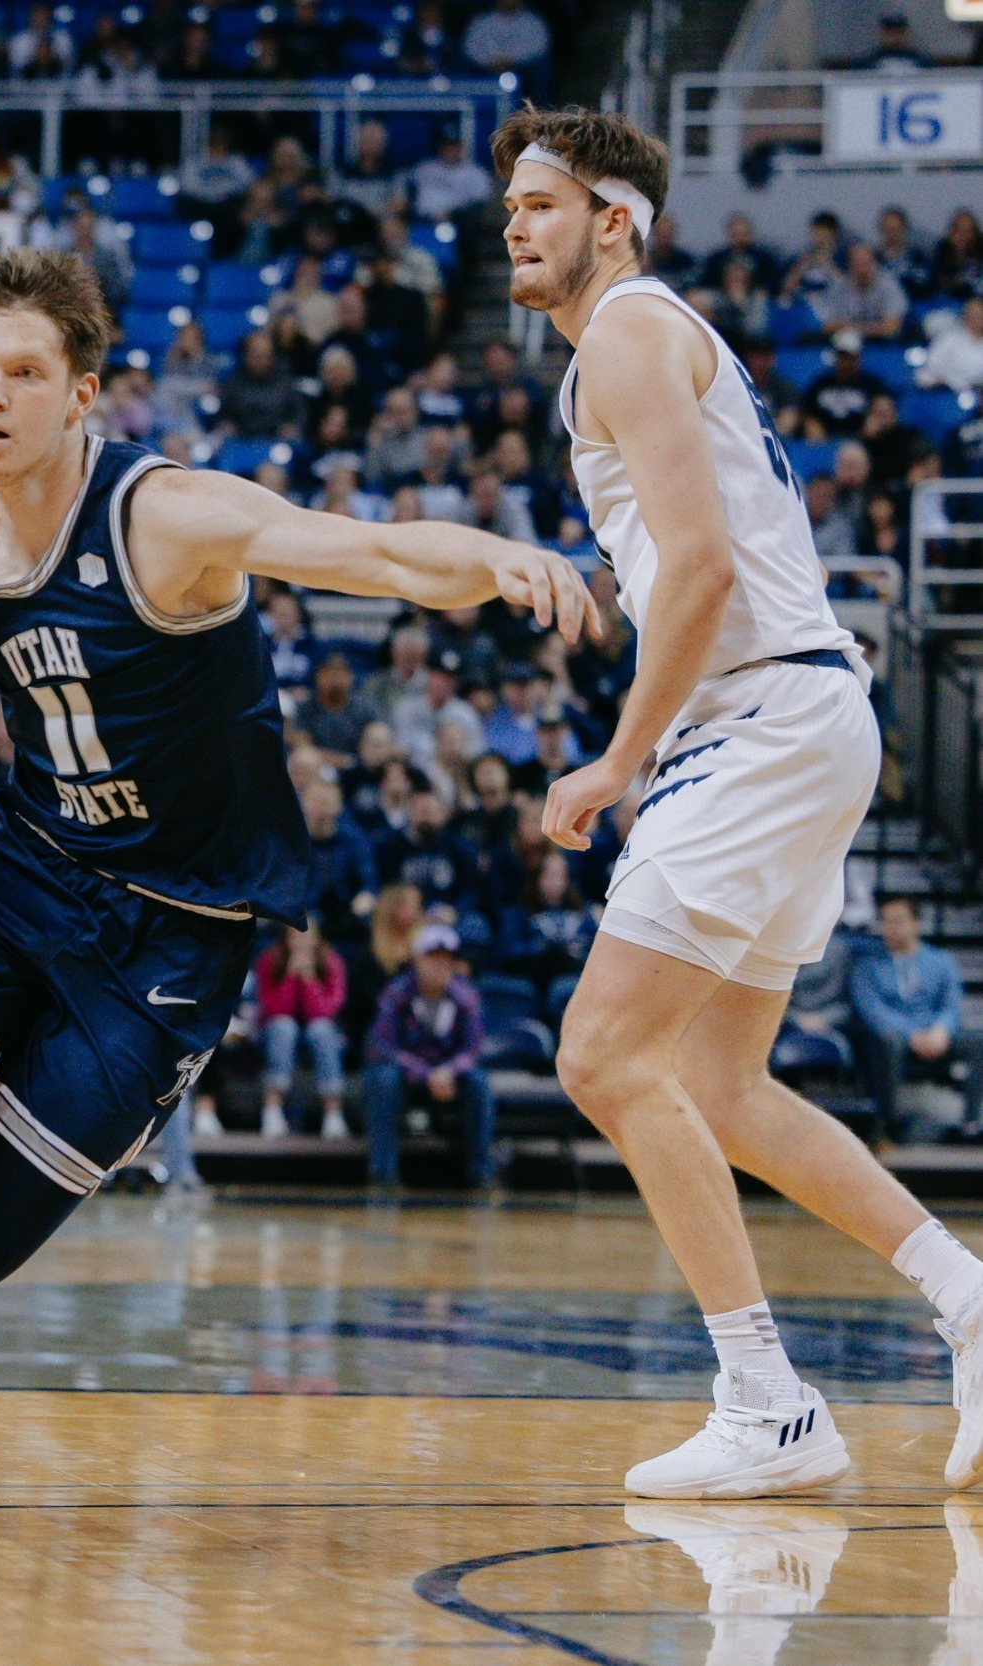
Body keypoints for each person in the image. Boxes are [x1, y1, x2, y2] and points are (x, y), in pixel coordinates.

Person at [0, 245, 589, 1529]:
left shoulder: (161, 516)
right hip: (12, 874)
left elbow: (373, 552)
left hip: (174, 933)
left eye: (22, 372)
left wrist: (498, 557)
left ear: (82, 394)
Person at [498, 106, 983, 1500]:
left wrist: (619, 757)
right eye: (509, 207)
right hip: (801, 713)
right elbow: (694, 557)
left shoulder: (627, 333)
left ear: (613, 222)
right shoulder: (642, 343)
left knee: (603, 1054)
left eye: (540, 203)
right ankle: (967, 1297)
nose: (514, 226)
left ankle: (766, 1399)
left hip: (758, 715)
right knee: (716, 1082)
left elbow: (705, 569)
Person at [358, 923, 489, 1184]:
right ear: (417, 959)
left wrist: (448, 1071)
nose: (439, 965)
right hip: (407, 1075)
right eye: (432, 957)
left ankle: (480, 1174)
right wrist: (426, 1074)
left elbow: (473, 1049)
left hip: (448, 1076)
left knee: (478, 1083)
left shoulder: (466, 996)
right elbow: (382, 1046)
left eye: (445, 958)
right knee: (383, 1079)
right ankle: (383, 1174)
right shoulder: (396, 993)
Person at [851, 896, 983, 1141]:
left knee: (978, 1042)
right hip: (896, 1036)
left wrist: (941, 1031)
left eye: (898, 921)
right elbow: (871, 1010)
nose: (890, 928)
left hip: (935, 1033)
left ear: (916, 923)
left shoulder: (941, 961)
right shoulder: (868, 966)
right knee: (887, 1041)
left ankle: (970, 1124)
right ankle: (889, 1124)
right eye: (885, 921)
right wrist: (911, 1035)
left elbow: (951, 1005)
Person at [256, 923, 348, 1138]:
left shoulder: (331, 961)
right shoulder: (270, 959)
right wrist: (290, 976)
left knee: (322, 1030)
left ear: (316, 939)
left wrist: (309, 979)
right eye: (295, 937)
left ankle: (333, 1113)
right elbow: (273, 1009)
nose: (301, 943)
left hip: (317, 1028)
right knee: (284, 1027)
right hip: (275, 1031)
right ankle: (272, 1110)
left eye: (306, 937)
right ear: (285, 939)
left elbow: (326, 1011)